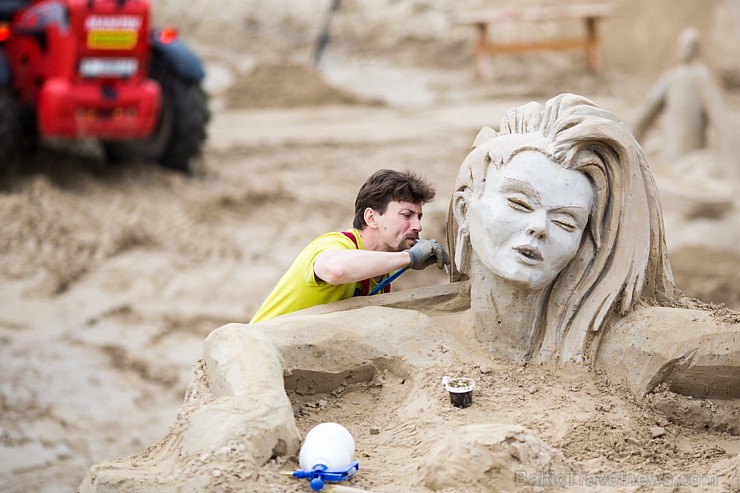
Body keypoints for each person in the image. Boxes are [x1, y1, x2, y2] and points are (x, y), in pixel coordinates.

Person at [79, 94, 739, 493]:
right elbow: (242, 339)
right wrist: (256, 404)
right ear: (468, 204)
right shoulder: (391, 311)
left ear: (585, 245)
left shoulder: (609, 337)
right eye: (518, 203)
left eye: (565, 221)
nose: (539, 229)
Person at [249, 168, 449, 323]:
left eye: (419, 217)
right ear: (371, 217)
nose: (418, 226)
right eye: (407, 215)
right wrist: (409, 258)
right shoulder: (335, 244)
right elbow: (336, 270)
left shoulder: (382, 270)